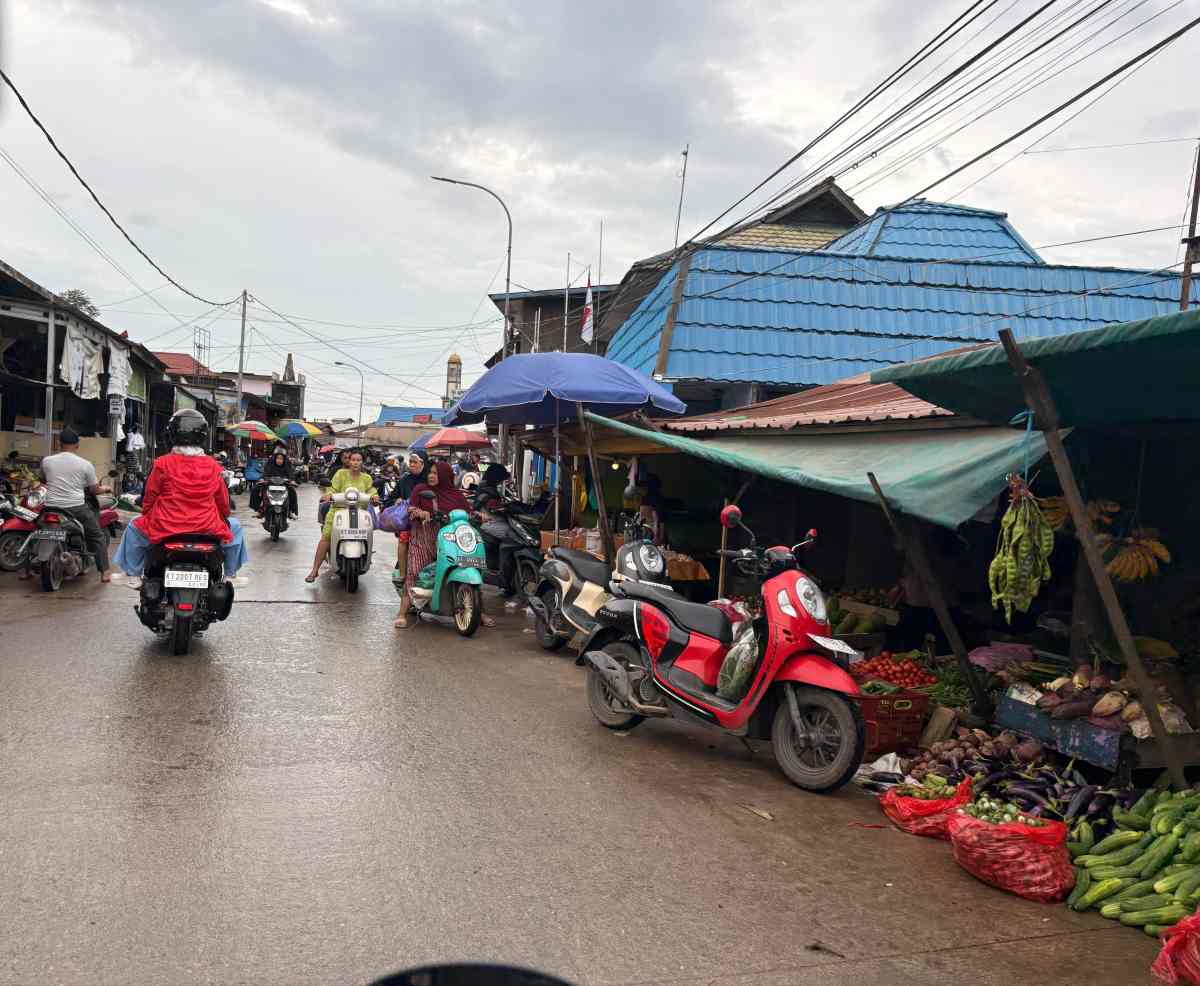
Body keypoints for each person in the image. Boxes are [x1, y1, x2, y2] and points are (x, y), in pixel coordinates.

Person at [112, 409, 248, 588]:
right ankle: (230, 575)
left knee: (133, 526)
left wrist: (148, 514)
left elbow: (150, 498)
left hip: (166, 526)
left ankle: (133, 575)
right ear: (203, 436)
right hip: (207, 527)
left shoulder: (161, 463)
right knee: (235, 527)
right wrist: (224, 516)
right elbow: (223, 503)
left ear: (172, 434)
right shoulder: (213, 466)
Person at [394, 459, 493, 629]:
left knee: (468, 563)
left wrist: (479, 515)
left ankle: (478, 610)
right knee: (414, 572)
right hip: (424, 537)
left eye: (435, 473)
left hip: (450, 538)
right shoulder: (421, 489)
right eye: (430, 472)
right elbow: (411, 509)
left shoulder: (455, 494)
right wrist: (421, 512)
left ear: (445, 475)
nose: (431, 476)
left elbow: (467, 512)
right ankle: (402, 612)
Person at [37, 428, 113, 583]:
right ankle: (104, 573)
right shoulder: (85, 465)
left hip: (50, 507)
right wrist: (105, 488)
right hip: (76, 509)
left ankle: (25, 570)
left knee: (36, 531)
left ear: (59, 443)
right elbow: (94, 489)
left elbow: (43, 480)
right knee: (97, 535)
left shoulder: (47, 461)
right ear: (77, 445)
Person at [305, 449, 379, 582]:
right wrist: (328, 495)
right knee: (326, 537)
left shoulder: (366, 478)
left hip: (359, 512)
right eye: (353, 460)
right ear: (349, 461)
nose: (356, 463)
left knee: (368, 532)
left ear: (362, 462)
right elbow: (332, 488)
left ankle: (366, 556)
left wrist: (375, 497)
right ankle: (315, 570)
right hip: (338, 511)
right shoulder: (340, 474)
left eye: (358, 460)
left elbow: (371, 490)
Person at [385, 449, 430, 578]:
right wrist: (396, 500)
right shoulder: (404, 480)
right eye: (410, 462)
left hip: (427, 524)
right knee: (404, 539)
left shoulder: (430, 480)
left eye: (415, 462)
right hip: (407, 523)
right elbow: (389, 500)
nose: (411, 464)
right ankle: (403, 575)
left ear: (423, 464)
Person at [255, 448, 298, 517]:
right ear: (274, 458)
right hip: (270, 484)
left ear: (284, 459)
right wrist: (262, 479)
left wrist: (292, 481)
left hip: (284, 484)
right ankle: (260, 509)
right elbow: (265, 473)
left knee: (292, 492)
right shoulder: (269, 464)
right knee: (258, 489)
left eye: (281, 459)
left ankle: (291, 510)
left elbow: (291, 474)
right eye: (278, 458)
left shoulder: (287, 464)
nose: (279, 460)